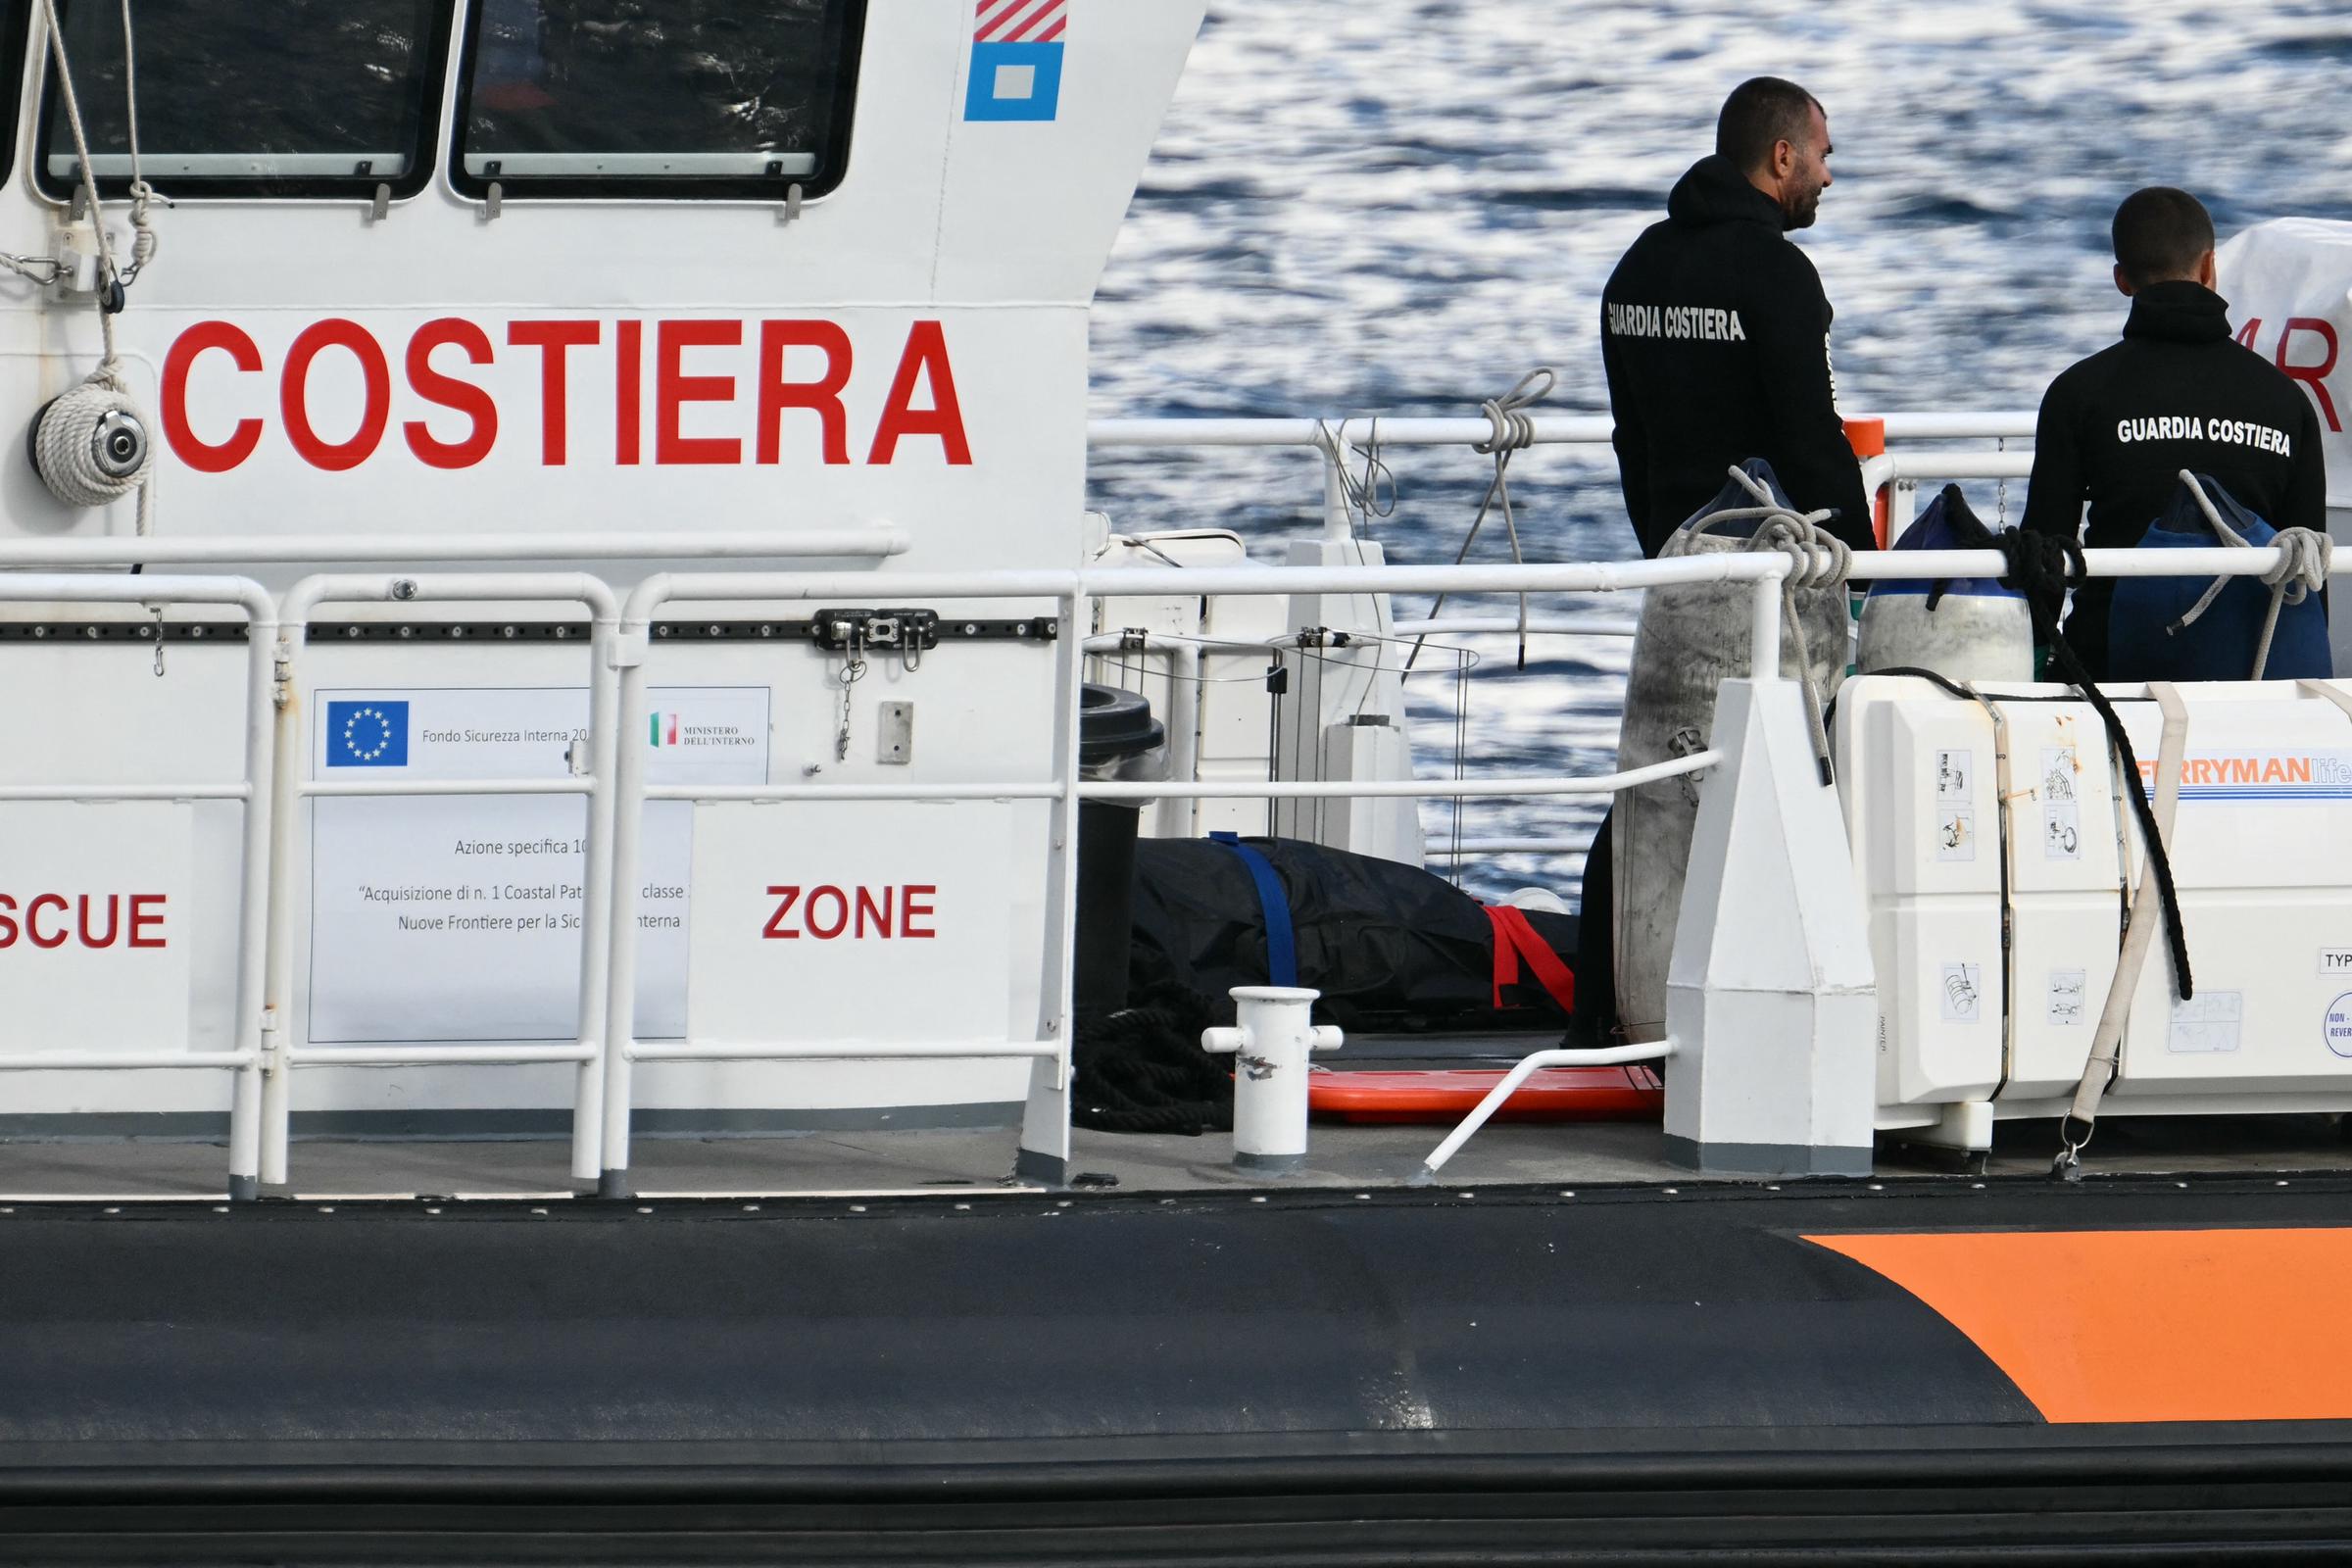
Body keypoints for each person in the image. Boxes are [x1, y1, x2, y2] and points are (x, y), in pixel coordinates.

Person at [2022, 186, 2328, 676]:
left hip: (2111, 669)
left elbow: (2043, 562)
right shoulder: (2286, 400)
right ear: (2209, 268)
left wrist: (2034, 671)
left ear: (2121, 279)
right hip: (2254, 664)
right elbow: (2308, 567)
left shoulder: (2077, 393)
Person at [1599, 76, 1874, 558]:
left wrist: (1659, 550)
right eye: (1823, 156)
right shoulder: (1778, 272)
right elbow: (1813, 440)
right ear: (1783, 156)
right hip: (1768, 572)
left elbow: (1631, 440)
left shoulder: (1636, 265)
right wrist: (1866, 571)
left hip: (1669, 560)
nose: (1827, 176)